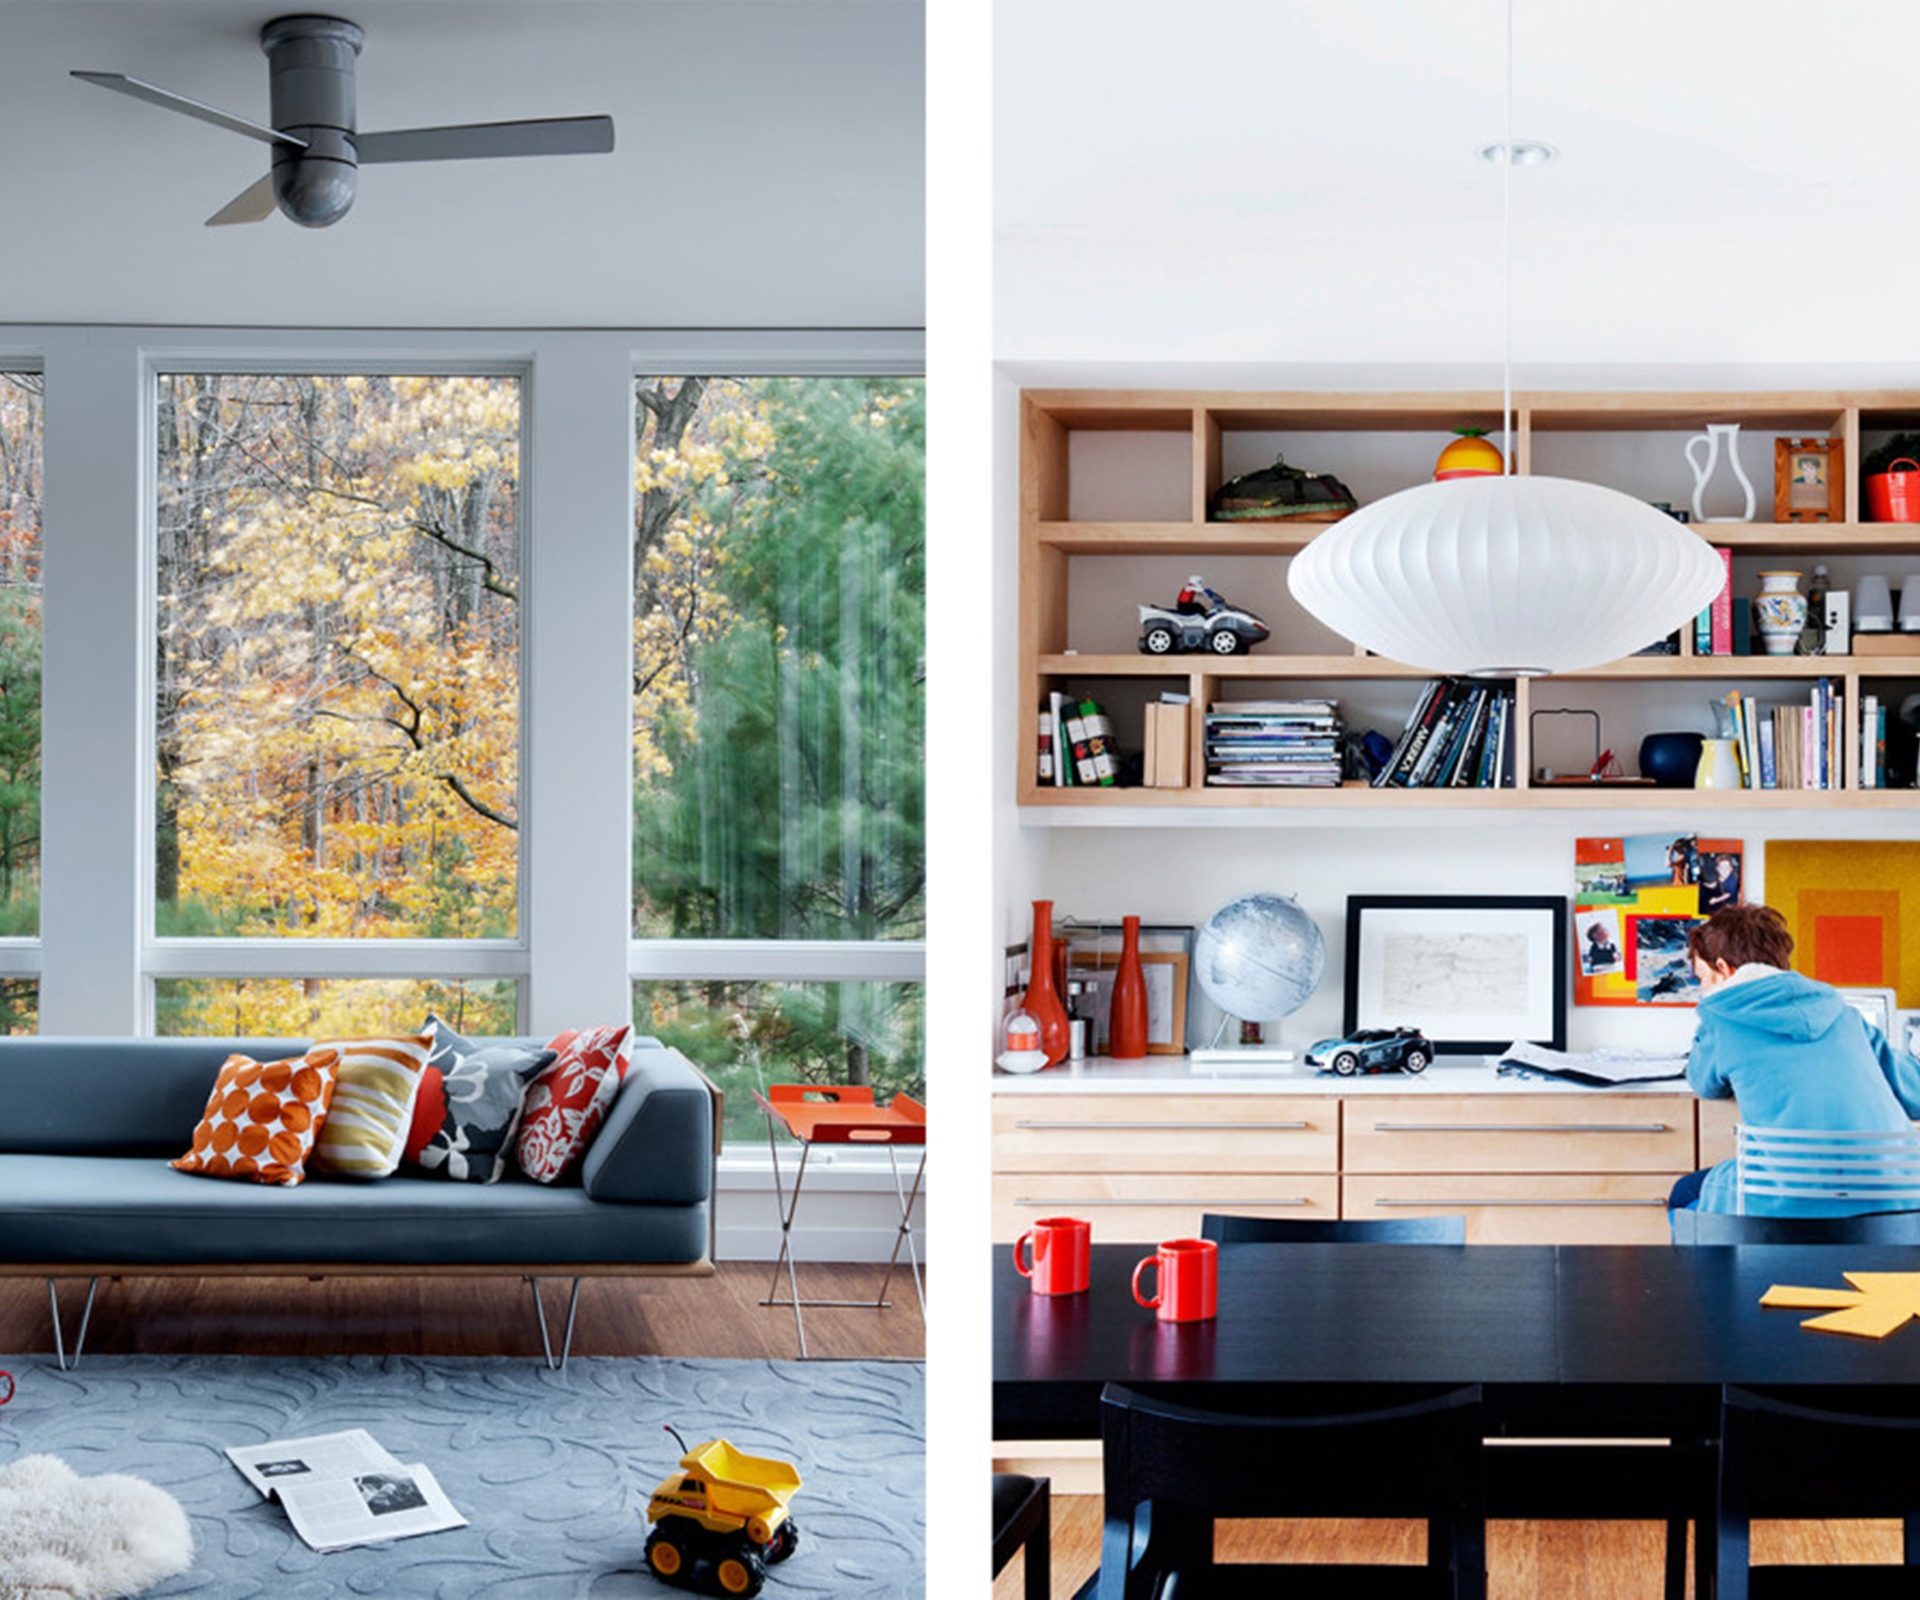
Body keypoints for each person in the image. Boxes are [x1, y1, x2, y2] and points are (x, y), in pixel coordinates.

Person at [1670, 903, 1920, 1215]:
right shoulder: (1844, 1014)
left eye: (1702, 978)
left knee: (1684, 1194)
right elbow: (1914, 1093)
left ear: (1723, 969)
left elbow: (1704, 1082)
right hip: (1899, 1199)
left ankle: (1721, 1267)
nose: (1702, 989)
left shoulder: (1722, 1018)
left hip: (1790, 1204)